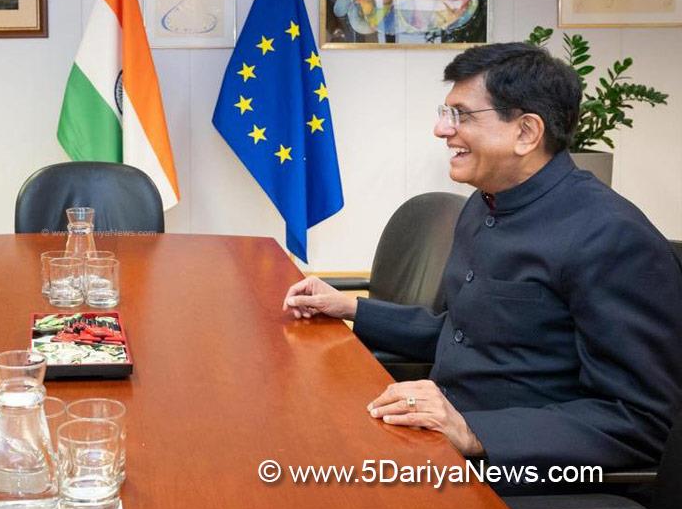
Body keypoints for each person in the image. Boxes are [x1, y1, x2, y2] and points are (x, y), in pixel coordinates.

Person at [285, 42, 682, 484]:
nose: (440, 129)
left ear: (527, 132)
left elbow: (638, 420)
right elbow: (466, 332)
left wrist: (474, 433)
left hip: (515, 472)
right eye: (445, 112)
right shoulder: (484, 205)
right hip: (434, 437)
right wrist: (351, 308)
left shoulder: (613, 237)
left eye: (461, 115)